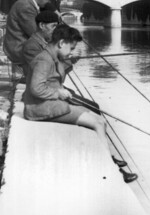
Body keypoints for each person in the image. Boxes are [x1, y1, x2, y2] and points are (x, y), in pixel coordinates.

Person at [23, 24, 137, 183]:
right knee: (98, 123)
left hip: (48, 103)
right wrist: (58, 92)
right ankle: (111, 170)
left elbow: (53, 76)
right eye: (71, 48)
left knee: (97, 117)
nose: (71, 52)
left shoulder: (51, 56)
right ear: (61, 43)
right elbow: (36, 88)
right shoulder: (44, 59)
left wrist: (70, 62)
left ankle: (110, 159)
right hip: (40, 107)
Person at [3, 0, 50, 67]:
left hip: (20, 45)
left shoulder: (27, 3)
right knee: (54, 55)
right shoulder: (26, 6)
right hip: (18, 49)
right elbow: (35, 33)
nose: (48, 1)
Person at [20, 10, 59, 77]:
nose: (55, 30)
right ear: (42, 25)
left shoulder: (47, 42)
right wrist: (69, 60)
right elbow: (45, 71)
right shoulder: (31, 46)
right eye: (53, 26)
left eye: (56, 26)